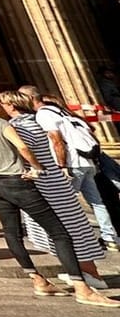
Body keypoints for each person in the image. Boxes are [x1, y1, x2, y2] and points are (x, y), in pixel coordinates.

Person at [0, 85, 115, 305]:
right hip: (17, 181)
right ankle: (82, 287)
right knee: (61, 232)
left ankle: (37, 280)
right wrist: (37, 167)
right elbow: (23, 147)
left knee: (12, 232)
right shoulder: (2, 124)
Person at [4, 90, 110, 290]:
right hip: (55, 176)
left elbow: (42, 144)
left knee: (61, 226)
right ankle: (85, 271)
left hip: (45, 180)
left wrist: (41, 167)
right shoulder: (42, 118)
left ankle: (85, 273)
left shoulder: (21, 125)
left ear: (11, 105)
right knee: (73, 222)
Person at [31, 87, 120, 249]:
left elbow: (56, 139)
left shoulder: (43, 114)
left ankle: (71, 239)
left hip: (72, 162)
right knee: (97, 202)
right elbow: (92, 133)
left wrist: (62, 165)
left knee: (64, 202)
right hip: (88, 161)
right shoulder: (66, 114)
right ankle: (110, 238)